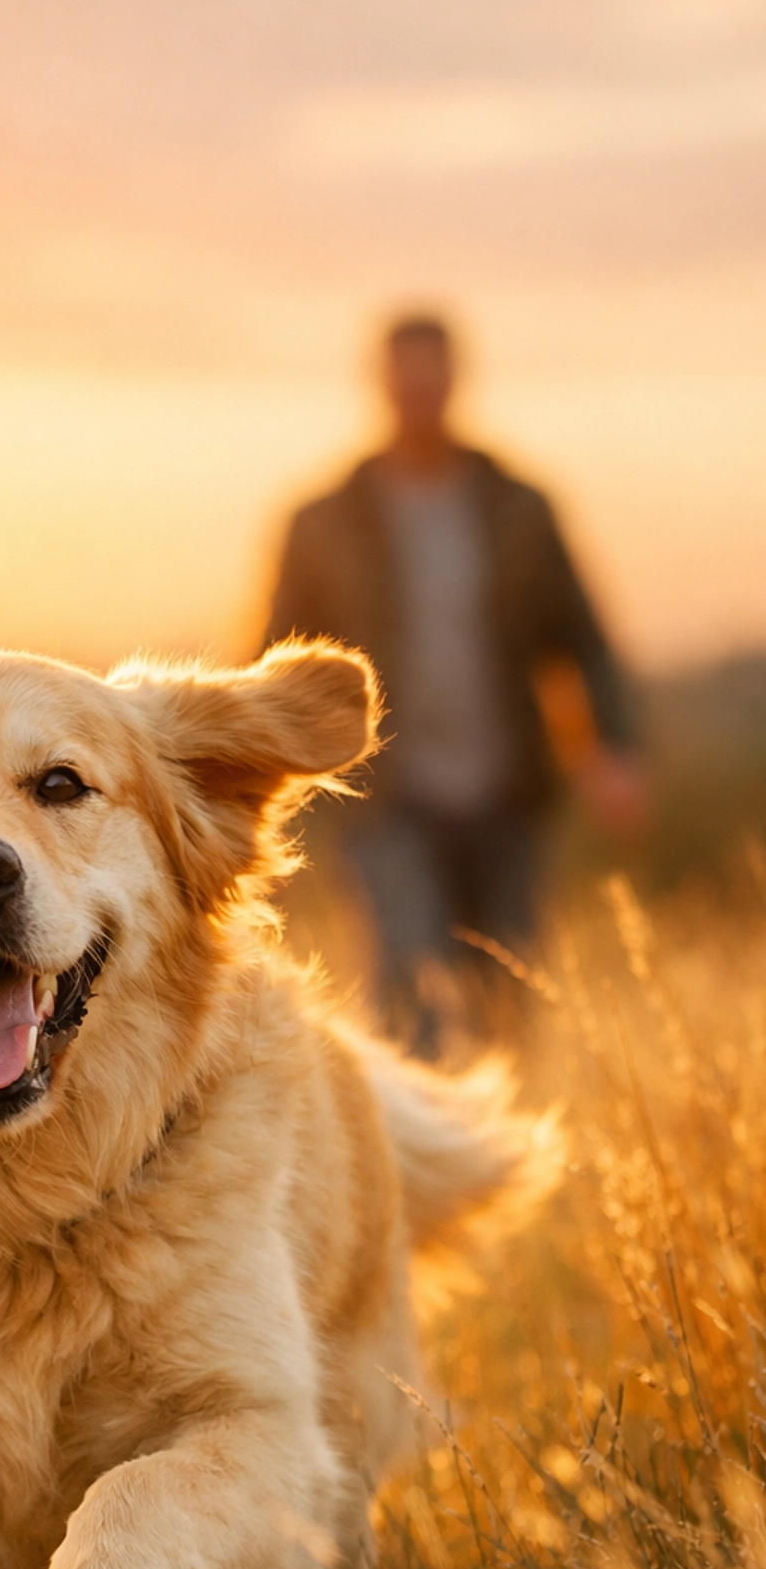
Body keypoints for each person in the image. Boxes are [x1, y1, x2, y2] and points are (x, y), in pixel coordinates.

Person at [262, 313, 646, 1051]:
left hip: (507, 790)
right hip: (385, 792)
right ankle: (409, 1160)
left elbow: (581, 640)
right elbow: (274, 663)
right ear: (383, 386)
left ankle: (493, 1159)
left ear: (454, 382)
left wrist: (614, 750)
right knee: (412, 995)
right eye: (405, 379)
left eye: (432, 378)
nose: (419, 394)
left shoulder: (520, 510)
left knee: (504, 993)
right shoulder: (324, 523)